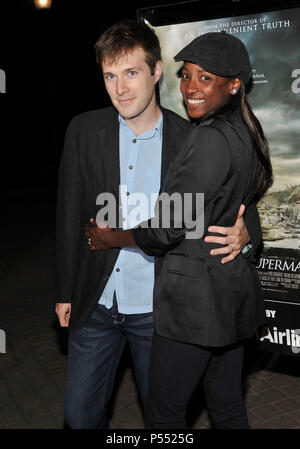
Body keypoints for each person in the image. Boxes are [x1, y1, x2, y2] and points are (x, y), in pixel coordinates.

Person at [56, 21, 261, 430]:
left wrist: (247, 236)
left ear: (155, 72)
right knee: (79, 417)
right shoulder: (83, 130)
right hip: (97, 299)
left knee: (163, 418)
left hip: (160, 309)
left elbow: (241, 204)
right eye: (110, 76)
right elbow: (68, 211)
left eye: (131, 73)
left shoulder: (192, 135)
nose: (120, 88)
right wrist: (64, 291)